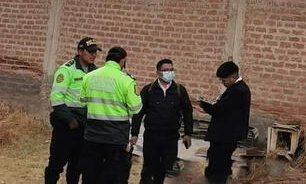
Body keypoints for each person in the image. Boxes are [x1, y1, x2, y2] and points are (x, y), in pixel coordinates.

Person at [80, 46, 142, 184]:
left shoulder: (89, 77)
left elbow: (83, 101)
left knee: (90, 175)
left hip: (92, 135)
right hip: (116, 137)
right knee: (114, 176)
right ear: (123, 61)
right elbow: (136, 108)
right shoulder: (126, 80)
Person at [44, 36, 101, 184]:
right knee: (57, 162)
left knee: (77, 165)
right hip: (67, 122)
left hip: (85, 123)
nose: (93, 55)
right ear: (80, 51)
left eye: (95, 52)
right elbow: (56, 99)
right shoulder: (67, 70)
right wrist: (69, 119)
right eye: (90, 51)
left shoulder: (95, 72)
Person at [130, 58, 194, 183]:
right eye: (165, 70)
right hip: (152, 136)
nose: (169, 72)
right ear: (158, 72)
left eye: (171, 70)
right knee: (148, 168)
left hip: (170, 137)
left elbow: (187, 112)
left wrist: (188, 133)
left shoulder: (179, 90)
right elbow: (138, 113)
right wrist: (135, 133)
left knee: (164, 168)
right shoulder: (149, 90)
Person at [197, 61, 251, 184]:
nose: (223, 83)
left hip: (226, 135)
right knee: (218, 160)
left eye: (224, 80)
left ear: (233, 76)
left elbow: (220, 110)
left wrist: (204, 106)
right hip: (224, 135)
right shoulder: (236, 88)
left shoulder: (238, 91)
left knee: (219, 163)